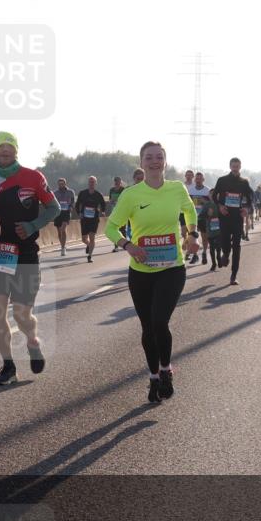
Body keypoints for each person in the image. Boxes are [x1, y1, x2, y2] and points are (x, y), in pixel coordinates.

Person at [106, 141, 199, 403]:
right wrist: (129, 245)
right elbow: (111, 228)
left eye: (159, 157)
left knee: (160, 322)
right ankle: (153, 377)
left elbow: (189, 210)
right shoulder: (131, 195)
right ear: (141, 162)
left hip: (172, 268)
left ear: (165, 162)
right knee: (147, 327)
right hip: (141, 271)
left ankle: (166, 369)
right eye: (149, 157)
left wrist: (192, 234)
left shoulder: (176, 188)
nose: (154, 161)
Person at [0, 131, 59, 384]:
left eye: (9, 147)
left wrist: (33, 225)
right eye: (0, 147)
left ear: (16, 151)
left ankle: (32, 341)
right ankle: (8, 366)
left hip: (26, 254)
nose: (5, 151)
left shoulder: (33, 176)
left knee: (22, 314)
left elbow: (54, 208)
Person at [211, 157, 254, 286]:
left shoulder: (244, 182)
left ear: (240, 167)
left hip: (237, 217)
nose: (235, 168)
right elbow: (214, 195)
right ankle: (225, 253)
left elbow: (251, 197)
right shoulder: (222, 180)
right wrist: (220, 206)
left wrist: (246, 208)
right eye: (233, 166)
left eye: (237, 166)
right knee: (224, 240)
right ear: (230, 166)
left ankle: (234, 275)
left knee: (237, 245)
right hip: (224, 216)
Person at [75, 176, 106, 263]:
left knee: (92, 238)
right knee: (84, 239)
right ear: (88, 183)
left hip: (94, 219)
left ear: (95, 183)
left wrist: (103, 211)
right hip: (84, 218)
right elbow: (77, 204)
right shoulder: (82, 193)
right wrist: (79, 213)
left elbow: (103, 204)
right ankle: (89, 245)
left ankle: (90, 256)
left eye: (93, 182)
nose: (91, 183)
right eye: (90, 182)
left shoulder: (98, 194)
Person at [188, 171, 212, 264]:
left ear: (203, 180)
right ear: (195, 179)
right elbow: (187, 203)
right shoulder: (190, 190)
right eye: (196, 179)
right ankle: (195, 255)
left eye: (200, 178)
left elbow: (211, 204)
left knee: (204, 237)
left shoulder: (207, 191)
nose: (198, 180)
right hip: (193, 217)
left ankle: (205, 252)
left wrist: (204, 201)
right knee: (192, 237)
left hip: (204, 217)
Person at [53, 178, 76, 256]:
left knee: (63, 229)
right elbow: (53, 202)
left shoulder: (70, 192)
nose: (61, 185)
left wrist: (71, 207)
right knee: (59, 232)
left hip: (66, 212)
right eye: (59, 184)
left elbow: (73, 201)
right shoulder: (55, 193)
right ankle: (63, 246)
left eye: (62, 184)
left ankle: (63, 249)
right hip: (58, 213)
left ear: (65, 184)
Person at [202, 196, 223, 272]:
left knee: (218, 246)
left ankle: (219, 258)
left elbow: (225, 214)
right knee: (211, 247)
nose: (213, 196)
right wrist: (208, 214)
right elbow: (201, 215)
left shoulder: (221, 204)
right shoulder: (207, 205)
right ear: (209, 196)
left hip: (219, 229)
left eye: (215, 194)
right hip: (210, 229)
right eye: (211, 194)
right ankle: (214, 263)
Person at [109, 176, 127, 252]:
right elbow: (110, 199)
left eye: (118, 181)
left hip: (122, 211)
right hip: (114, 211)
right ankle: (116, 246)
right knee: (114, 229)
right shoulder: (112, 190)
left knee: (123, 230)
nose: (117, 182)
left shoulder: (123, 189)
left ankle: (126, 244)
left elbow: (126, 199)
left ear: (121, 182)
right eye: (116, 181)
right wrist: (112, 201)